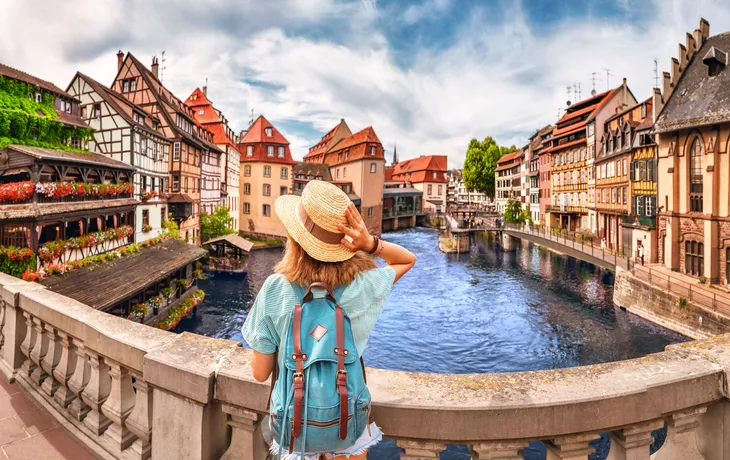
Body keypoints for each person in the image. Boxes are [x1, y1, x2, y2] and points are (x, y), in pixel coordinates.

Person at [242, 180, 417, 460]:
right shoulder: (364, 284)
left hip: (294, 429)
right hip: (348, 427)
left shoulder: (276, 288)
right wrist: (370, 243)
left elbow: (260, 373)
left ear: (296, 238)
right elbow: (407, 260)